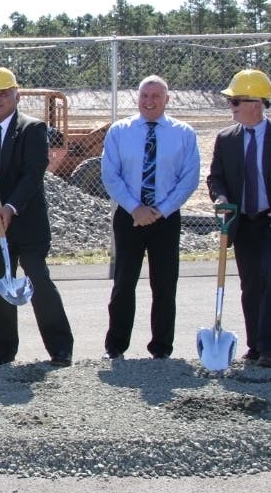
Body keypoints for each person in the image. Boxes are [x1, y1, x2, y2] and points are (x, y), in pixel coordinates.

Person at [0, 67, 74, 366]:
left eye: (3, 94)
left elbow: (33, 175)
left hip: (27, 223)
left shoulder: (32, 129)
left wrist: (10, 207)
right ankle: (2, 352)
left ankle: (60, 349)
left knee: (37, 282)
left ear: (15, 95)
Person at [101, 75, 200, 360]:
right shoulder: (120, 131)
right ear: (138, 98)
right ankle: (116, 346)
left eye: (156, 96)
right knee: (123, 283)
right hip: (129, 216)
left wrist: (162, 210)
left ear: (167, 100)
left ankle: (161, 348)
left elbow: (189, 178)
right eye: (145, 95)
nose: (149, 101)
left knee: (165, 284)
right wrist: (135, 208)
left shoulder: (184, 133)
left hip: (166, 219)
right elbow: (111, 174)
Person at [207, 69, 271, 366]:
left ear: (256, 104)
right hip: (244, 223)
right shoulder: (226, 139)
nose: (230, 107)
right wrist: (220, 197)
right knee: (250, 284)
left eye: (236, 101)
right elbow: (216, 178)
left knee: (269, 279)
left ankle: (268, 347)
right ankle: (255, 345)